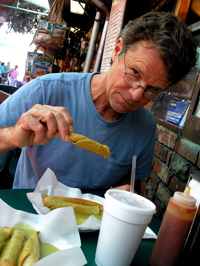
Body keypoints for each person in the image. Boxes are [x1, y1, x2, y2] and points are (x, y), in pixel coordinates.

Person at [0, 12, 198, 196]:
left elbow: (130, 183)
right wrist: (12, 137)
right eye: (135, 73)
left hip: (91, 228)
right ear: (118, 50)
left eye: (152, 89)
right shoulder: (45, 90)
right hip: (27, 217)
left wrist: (128, 194)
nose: (137, 95)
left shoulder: (145, 128)